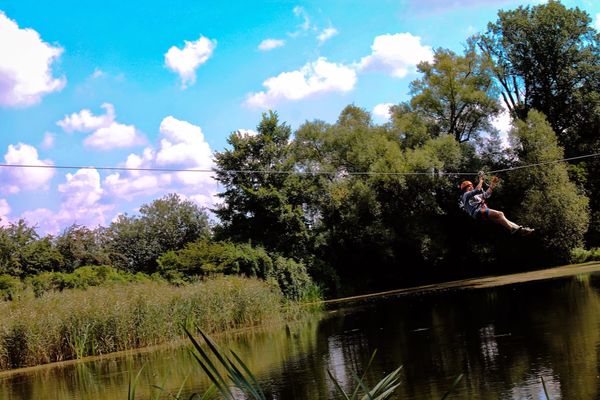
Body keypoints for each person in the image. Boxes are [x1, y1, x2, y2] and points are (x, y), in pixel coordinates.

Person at [459, 173, 534, 235]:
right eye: (468, 187)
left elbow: (486, 194)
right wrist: (481, 180)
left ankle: (520, 230)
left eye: (471, 186)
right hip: (478, 212)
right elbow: (477, 189)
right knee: (500, 214)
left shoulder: (476, 196)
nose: (470, 187)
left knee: (501, 218)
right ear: (465, 189)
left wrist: (492, 184)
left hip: (480, 213)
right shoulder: (465, 195)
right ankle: (512, 229)